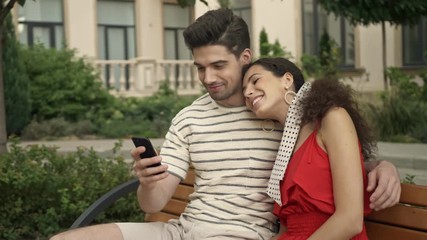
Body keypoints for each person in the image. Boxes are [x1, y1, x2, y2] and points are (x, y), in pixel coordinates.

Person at [50, 8, 400, 240]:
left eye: (218, 65)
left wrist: (381, 165)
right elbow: (154, 205)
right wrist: (147, 181)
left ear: (244, 58)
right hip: (179, 230)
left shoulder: (278, 116)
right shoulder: (189, 118)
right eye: (200, 67)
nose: (208, 77)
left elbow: (323, 163)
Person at [242, 57, 377, 239]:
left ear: (287, 80)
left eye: (255, 80)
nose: (248, 93)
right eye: (244, 91)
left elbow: (350, 220)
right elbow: (285, 230)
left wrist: (384, 166)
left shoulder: (332, 118)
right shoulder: (285, 147)